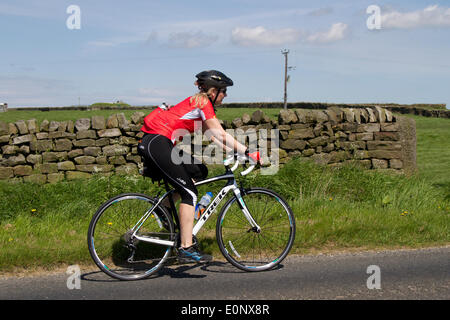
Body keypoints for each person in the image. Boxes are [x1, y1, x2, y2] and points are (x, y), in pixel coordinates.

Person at [138, 70, 260, 263]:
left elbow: (211, 136)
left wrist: (233, 152)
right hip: (158, 143)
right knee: (190, 194)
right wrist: (248, 152)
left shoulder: (199, 104)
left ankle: (165, 206)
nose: (226, 95)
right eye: (224, 91)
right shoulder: (203, 103)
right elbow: (220, 134)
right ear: (213, 91)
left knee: (199, 171)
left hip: (159, 143)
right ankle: (186, 247)